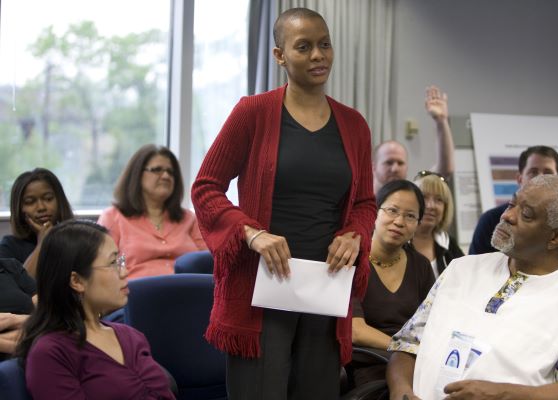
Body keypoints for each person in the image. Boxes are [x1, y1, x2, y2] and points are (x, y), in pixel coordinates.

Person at [191, 8, 376, 399]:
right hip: (263, 284)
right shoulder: (252, 113)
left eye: (324, 45)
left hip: (325, 285)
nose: (318, 56)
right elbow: (206, 188)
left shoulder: (354, 124)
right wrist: (253, 234)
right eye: (304, 47)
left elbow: (364, 203)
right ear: (279, 56)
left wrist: (356, 235)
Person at [387, 174, 558, 400]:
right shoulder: (461, 269)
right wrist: (401, 391)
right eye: (511, 204)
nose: (507, 215)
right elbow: (406, 345)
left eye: (525, 214)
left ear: (556, 237)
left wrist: (504, 394)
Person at [15, 220, 175, 400]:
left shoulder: (131, 336)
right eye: (113, 262)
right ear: (76, 281)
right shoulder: (51, 352)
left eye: (120, 260)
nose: (125, 272)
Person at [351, 180, 435, 385]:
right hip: (367, 362)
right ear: (375, 213)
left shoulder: (421, 266)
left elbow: (433, 324)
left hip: (414, 363)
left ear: (417, 225)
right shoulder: (353, 259)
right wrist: (403, 350)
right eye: (392, 210)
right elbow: (355, 330)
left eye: (410, 216)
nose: (399, 221)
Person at [468, 145, 558, 273]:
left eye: (548, 174)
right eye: (533, 172)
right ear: (519, 178)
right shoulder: (490, 221)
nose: (540, 178)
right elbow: (474, 272)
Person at [98, 144, 207, 279]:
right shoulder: (113, 217)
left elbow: (208, 262)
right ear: (137, 174)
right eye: (157, 170)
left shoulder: (189, 218)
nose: (166, 176)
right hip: (136, 296)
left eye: (171, 172)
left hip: (189, 293)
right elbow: (102, 268)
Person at [372, 85, 455, 193]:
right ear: (373, 167)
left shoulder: (413, 196)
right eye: (389, 162)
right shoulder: (361, 199)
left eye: (400, 163)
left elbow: (444, 170)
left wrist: (441, 121)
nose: (395, 169)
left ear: (407, 167)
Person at [0, 168, 74, 278]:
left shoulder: (76, 239)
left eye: (48, 199)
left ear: (59, 201)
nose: (41, 207)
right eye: (30, 202)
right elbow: (16, 289)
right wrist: (42, 244)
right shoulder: (9, 246)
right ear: (19, 209)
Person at [412, 170, 464, 277]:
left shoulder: (449, 245)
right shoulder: (398, 241)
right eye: (424, 197)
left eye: (439, 200)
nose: (431, 206)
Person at [0, 258, 36, 360]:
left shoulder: (9, 266)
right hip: (32, 347)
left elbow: (47, 311)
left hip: (37, 343)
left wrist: (12, 319)